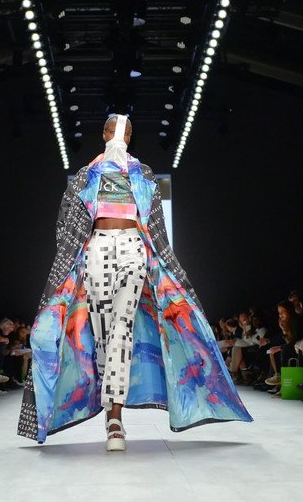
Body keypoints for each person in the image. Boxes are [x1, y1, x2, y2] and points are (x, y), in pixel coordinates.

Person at [17, 115, 251, 450]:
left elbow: (156, 227)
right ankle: (108, 411)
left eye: (126, 133)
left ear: (131, 137)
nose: (120, 137)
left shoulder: (143, 173)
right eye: (114, 131)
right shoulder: (86, 174)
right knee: (101, 336)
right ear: (103, 134)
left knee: (122, 329)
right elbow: (65, 222)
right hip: (97, 249)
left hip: (132, 249)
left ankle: (115, 419)